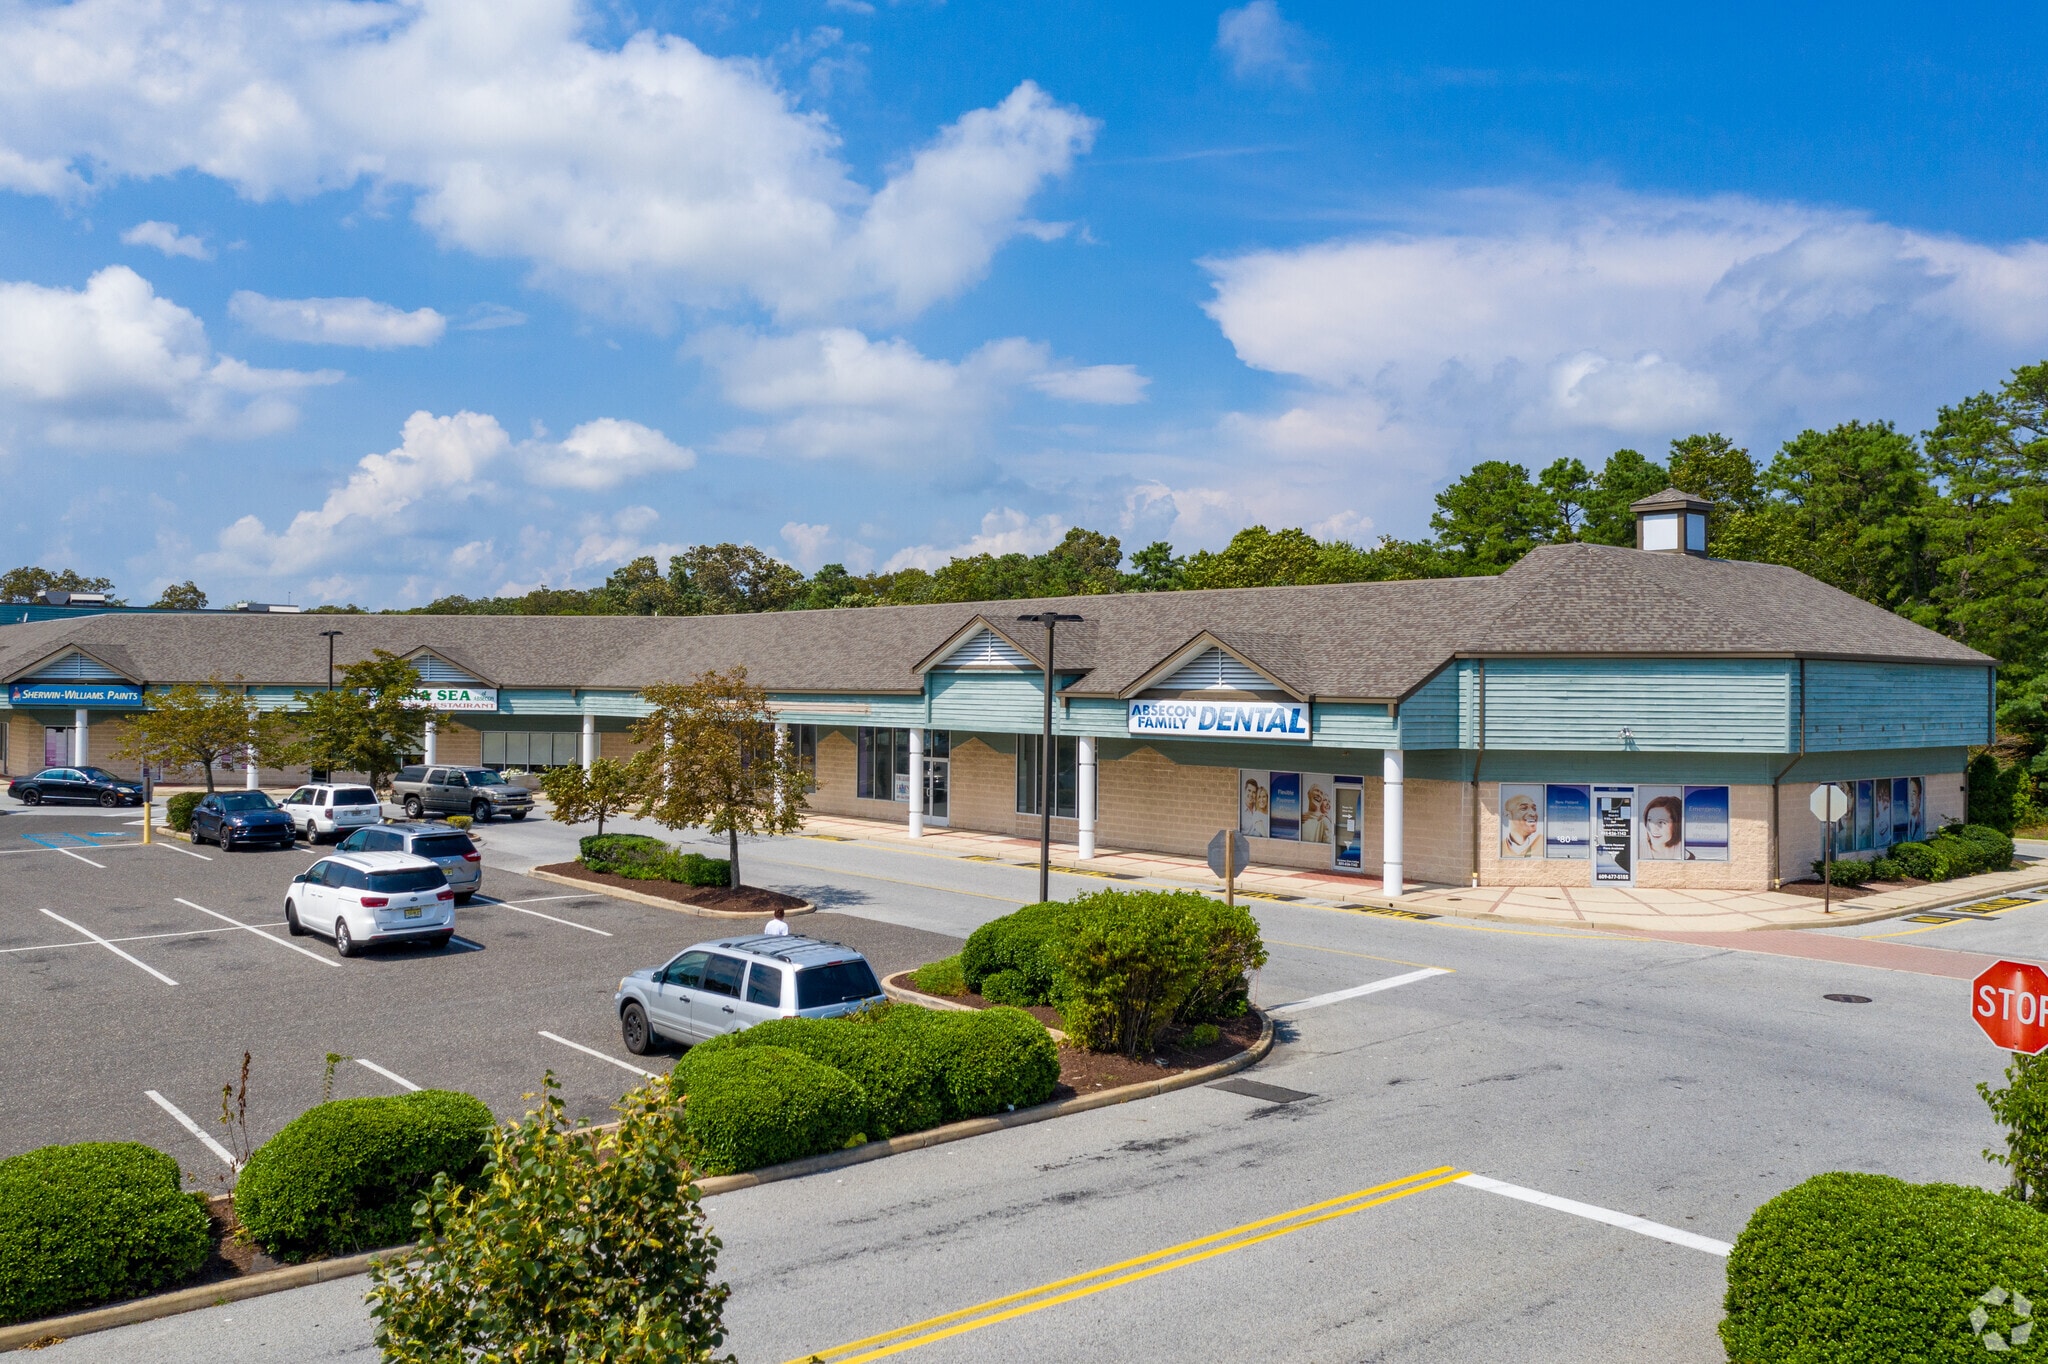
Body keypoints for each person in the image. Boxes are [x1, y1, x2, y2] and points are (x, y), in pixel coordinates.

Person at [1642, 794, 1687, 859]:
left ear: (1677, 824)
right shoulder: (1637, 850)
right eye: (1649, 820)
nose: (1653, 828)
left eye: (1661, 822)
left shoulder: (1684, 850)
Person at [1501, 791, 1541, 858]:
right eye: (1523, 808)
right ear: (1508, 815)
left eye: (1534, 809)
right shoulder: (1501, 847)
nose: (1533, 814)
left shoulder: (1543, 842)